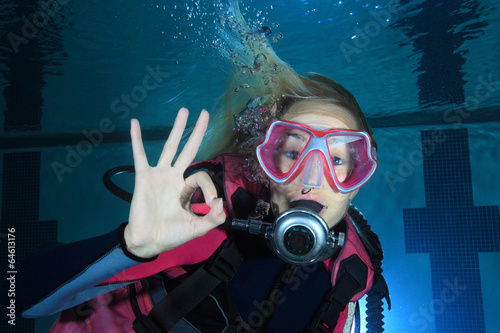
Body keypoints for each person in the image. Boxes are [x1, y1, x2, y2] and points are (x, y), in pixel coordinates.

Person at [15, 2, 390, 332]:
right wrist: (129, 246)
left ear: (358, 180)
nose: (310, 178)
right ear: (266, 159)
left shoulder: (354, 270)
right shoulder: (208, 220)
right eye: (292, 153)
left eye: (338, 159)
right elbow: (16, 296)